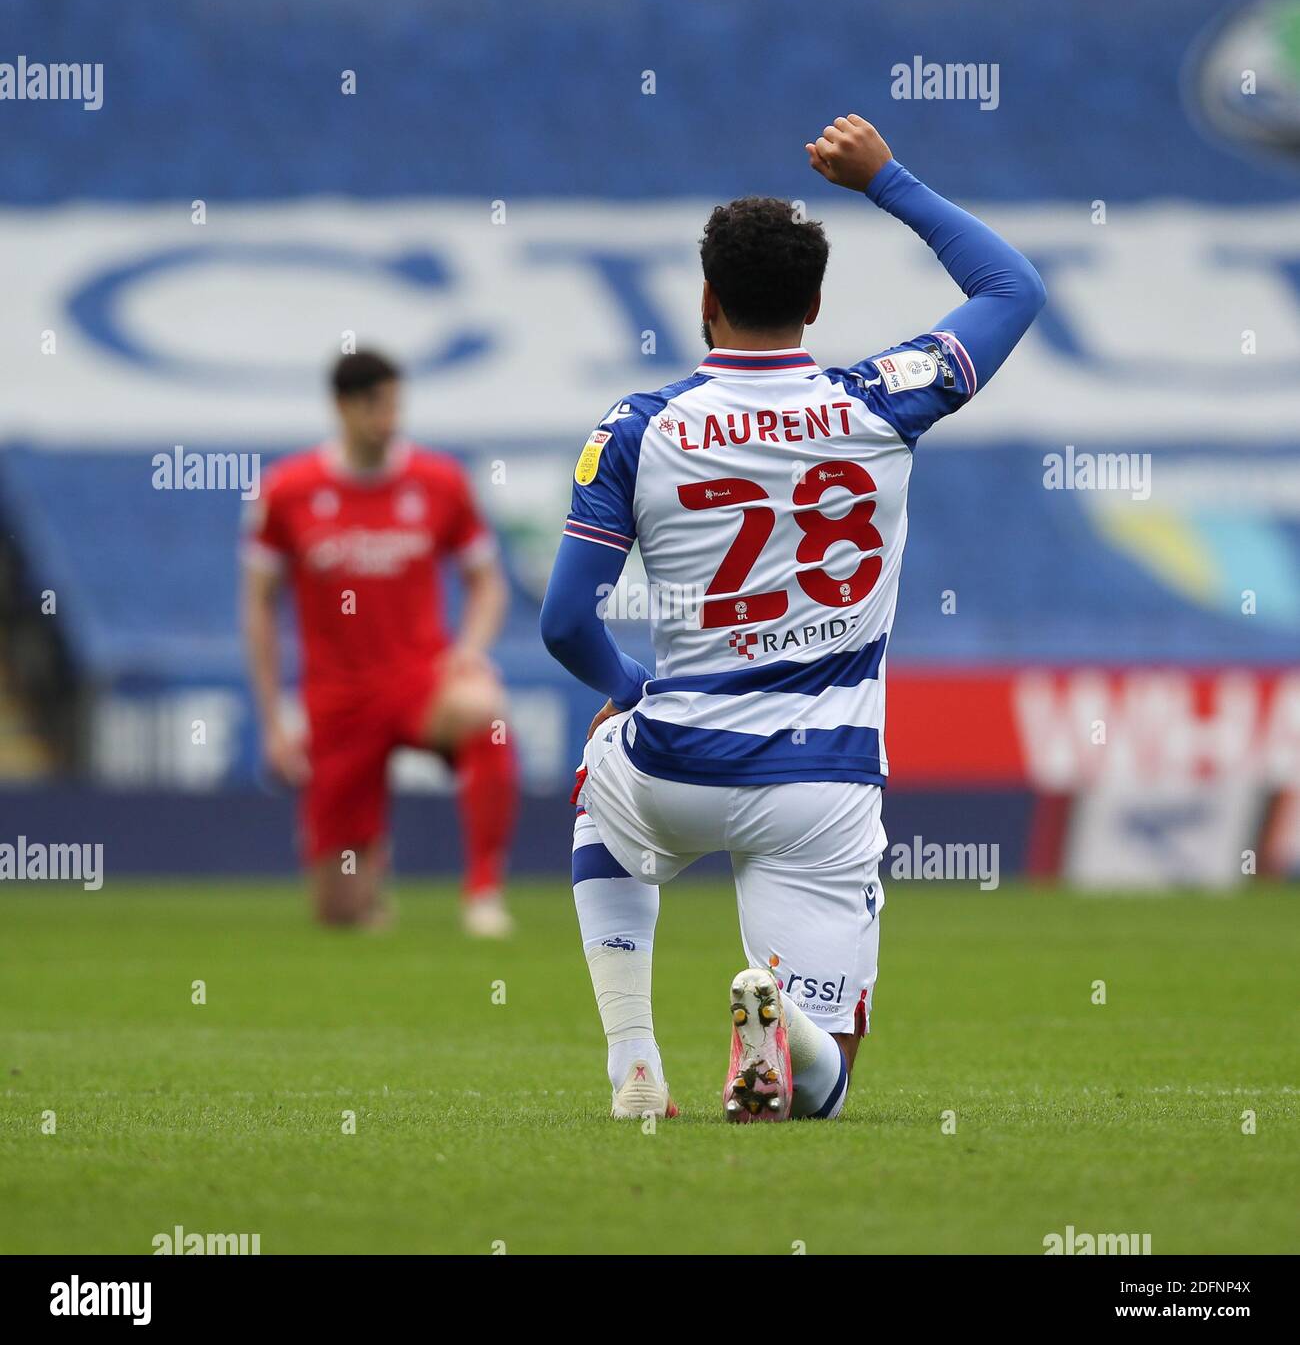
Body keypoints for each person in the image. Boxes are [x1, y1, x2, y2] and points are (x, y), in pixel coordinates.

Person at [541, 115, 1045, 1118]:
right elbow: (1012, 290)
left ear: (704, 301)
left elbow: (565, 622)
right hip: (821, 785)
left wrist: (629, 693)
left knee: (603, 781)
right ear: (815, 303)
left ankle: (632, 1060)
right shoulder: (882, 401)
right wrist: (884, 179)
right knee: (822, 1093)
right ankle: (791, 1033)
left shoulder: (640, 425)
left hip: (674, 760)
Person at [243, 349, 517, 937]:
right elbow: (260, 605)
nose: (387, 417)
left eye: (394, 403)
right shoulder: (287, 491)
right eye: (373, 404)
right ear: (341, 406)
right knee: (342, 915)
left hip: (419, 679)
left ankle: (483, 890)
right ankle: (370, 866)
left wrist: (468, 650)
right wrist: (272, 720)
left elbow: (488, 582)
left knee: (484, 713)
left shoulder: (440, 481)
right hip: (336, 699)